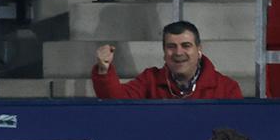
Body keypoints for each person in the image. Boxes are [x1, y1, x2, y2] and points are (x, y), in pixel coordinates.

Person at [92, 21, 243, 100]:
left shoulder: (227, 88)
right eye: (171, 46)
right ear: (164, 52)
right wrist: (104, 71)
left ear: (199, 50)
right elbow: (116, 102)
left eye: (186, 46)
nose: (178, 53)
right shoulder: (149, 80)